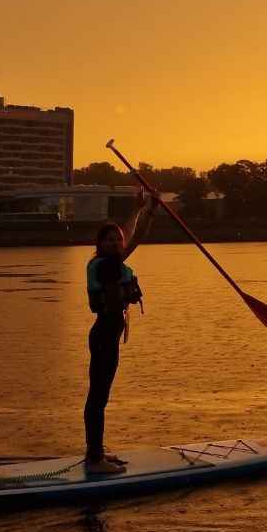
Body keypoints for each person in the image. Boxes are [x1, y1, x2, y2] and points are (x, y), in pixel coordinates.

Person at [83, 191, 158, 474]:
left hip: (107, 335)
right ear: (100, 244)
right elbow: (133, 240)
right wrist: (148, 214)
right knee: (98, 396)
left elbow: (127, 236)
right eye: (109, 239)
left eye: (116, 239)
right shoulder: (106, 266)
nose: (115, 242)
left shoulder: (106, 262)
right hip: (104, 335)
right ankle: (94, 459)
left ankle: (97, 452)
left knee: (100, 396)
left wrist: (139, 210)